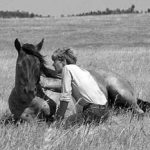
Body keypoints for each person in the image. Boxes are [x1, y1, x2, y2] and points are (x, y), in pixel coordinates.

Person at [41, 47, 109, 124]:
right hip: (105, 112)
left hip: (92, 111)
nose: (53, 64)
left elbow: (65, 98)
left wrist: (58, 118)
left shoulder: (67, 69)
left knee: (62, 125)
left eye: (54, 61)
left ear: (63, 61)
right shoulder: (82, 70)